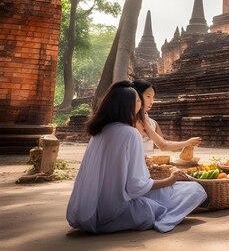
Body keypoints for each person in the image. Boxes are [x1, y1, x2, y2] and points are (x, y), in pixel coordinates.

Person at [66, 80, 207, 233]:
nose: (145, 103)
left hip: (84, 213)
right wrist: (171, 180)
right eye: (140, 99)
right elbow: (137, 187)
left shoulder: (99, 132)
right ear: (129, 105)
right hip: (114, 213)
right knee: (195, 190)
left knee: (175, 193)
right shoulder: (130, 133)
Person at [132, 79, 201, 153]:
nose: (152, 102)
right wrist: (187, 143)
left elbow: (163, 145)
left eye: (153, 97)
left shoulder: (153, 123)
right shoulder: (126, 121)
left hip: (147, 163)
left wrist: (187, 143)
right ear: (137, 96)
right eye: (148, 96)